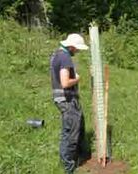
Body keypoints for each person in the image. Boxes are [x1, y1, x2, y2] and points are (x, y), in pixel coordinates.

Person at [50, 33, 88, 174]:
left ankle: (80, 156)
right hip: (66, 100)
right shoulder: (65, 57)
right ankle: (69, 167)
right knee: (71, 133)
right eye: (77, 49)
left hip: (65, 99)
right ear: (71, 46)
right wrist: (77, 79)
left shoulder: (57, 54)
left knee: (77, 126)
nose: (77, 51)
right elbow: (65, 83)